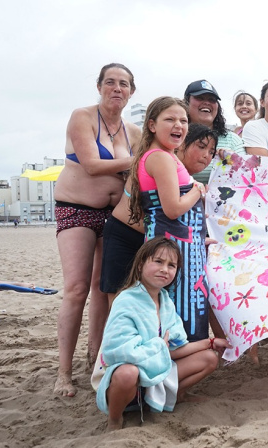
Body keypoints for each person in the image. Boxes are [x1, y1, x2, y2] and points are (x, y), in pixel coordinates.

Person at [54, 63, 141, 397]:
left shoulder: (133, 132)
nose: (116, 88)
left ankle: (95, 357)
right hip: (77, 209)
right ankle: (63, 372)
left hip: (114, 215)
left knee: (103, 288)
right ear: (99, 86)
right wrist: (134, 162)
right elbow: (90, 165)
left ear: (132, 91)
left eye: (123, 84)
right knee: (76, 288)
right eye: (110, 82)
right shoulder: (83, 117)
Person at [92, 237, 230, 431]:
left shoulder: (165, 302)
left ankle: (176, 396)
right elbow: (117, 352)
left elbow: (171, 351)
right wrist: (158, 345)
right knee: (127, 373)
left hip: (154, 371)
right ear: (140, 264)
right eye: (158, 261)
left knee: (209, 358)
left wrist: (211, 342)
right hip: (126, 380)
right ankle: (115, 419)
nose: (165, 269)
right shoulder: (125, 300)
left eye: (171, 265)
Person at [100, 124, 218, 304]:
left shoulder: (185, 178)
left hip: (155, 243)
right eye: (201, 147)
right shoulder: (161, 161)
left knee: (154, 306)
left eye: (212, 152)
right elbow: (172, 211)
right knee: (121, 305)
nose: (206, 156)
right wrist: (198, 190)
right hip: (125, 235)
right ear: (181, 144)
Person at [126, 97, 209, 341]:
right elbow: (172, 209)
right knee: (177, 303)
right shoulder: (160, 157)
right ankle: (178, 363)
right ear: (152, 125)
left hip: (182, 245)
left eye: (183, 120)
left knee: (178, 303)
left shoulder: (165, 156)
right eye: (170, 119)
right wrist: (197, 189)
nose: (179, 126)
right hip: (173, 245)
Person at [184, 80, 245, 184]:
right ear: (186, 103)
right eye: (200, 98)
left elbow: (246, 176)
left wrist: (235, 161)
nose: (207, 102)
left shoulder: (233, 139)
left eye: (212, 99)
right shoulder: (177, 137)